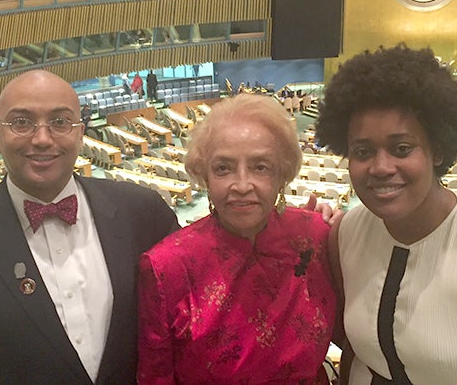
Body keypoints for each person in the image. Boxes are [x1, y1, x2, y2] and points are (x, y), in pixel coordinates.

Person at [317, 44, 457, 384]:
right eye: (362, 151)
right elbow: (355, 352)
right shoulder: (345, 233)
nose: (380, 167)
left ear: (436, 149)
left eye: (401, 148)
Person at [0, 70, 180, 384]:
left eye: (60, 122)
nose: (42, 139)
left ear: (81, 134)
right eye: (22, 122)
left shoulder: (145, 213)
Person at [137, 93, 339, 383]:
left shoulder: (318, 236)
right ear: (204, 176)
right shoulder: (165, 268)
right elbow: (155, 379)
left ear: (282, 173)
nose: (242, 185)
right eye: (223, 168)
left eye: (260, 167)